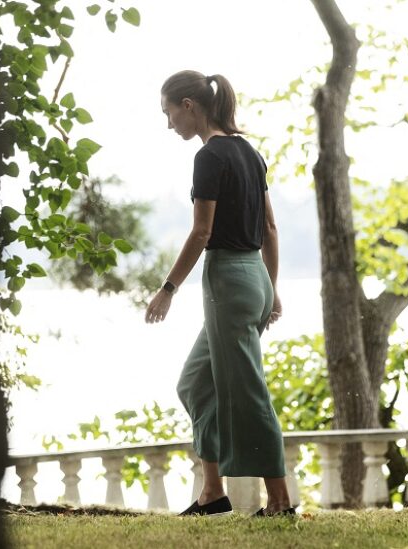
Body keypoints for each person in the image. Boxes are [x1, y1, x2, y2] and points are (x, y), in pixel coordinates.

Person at [145, 70, 294, 517]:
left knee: (248, 393)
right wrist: (272, 286)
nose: (169, 123)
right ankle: (213, 494)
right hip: (254, 278)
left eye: (169, 112)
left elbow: (201, 231)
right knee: (195, 384)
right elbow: (269, 226)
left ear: (189, 105)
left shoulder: (209, 156)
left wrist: (167, 289)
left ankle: (281, 501)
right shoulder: (250, 152)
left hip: (229, 280)